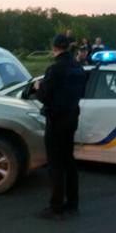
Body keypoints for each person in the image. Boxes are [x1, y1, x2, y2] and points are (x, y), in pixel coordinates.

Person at [35, 34, 88, 220]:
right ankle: (73, 204)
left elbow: (45, 96)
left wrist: (37, 87)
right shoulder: (78, 68)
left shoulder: (55, 69)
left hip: (56, 119)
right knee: (69, 161)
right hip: (72, 116)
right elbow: (82, 91)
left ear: (55, 47)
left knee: (55, 163)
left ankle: (56, 207)